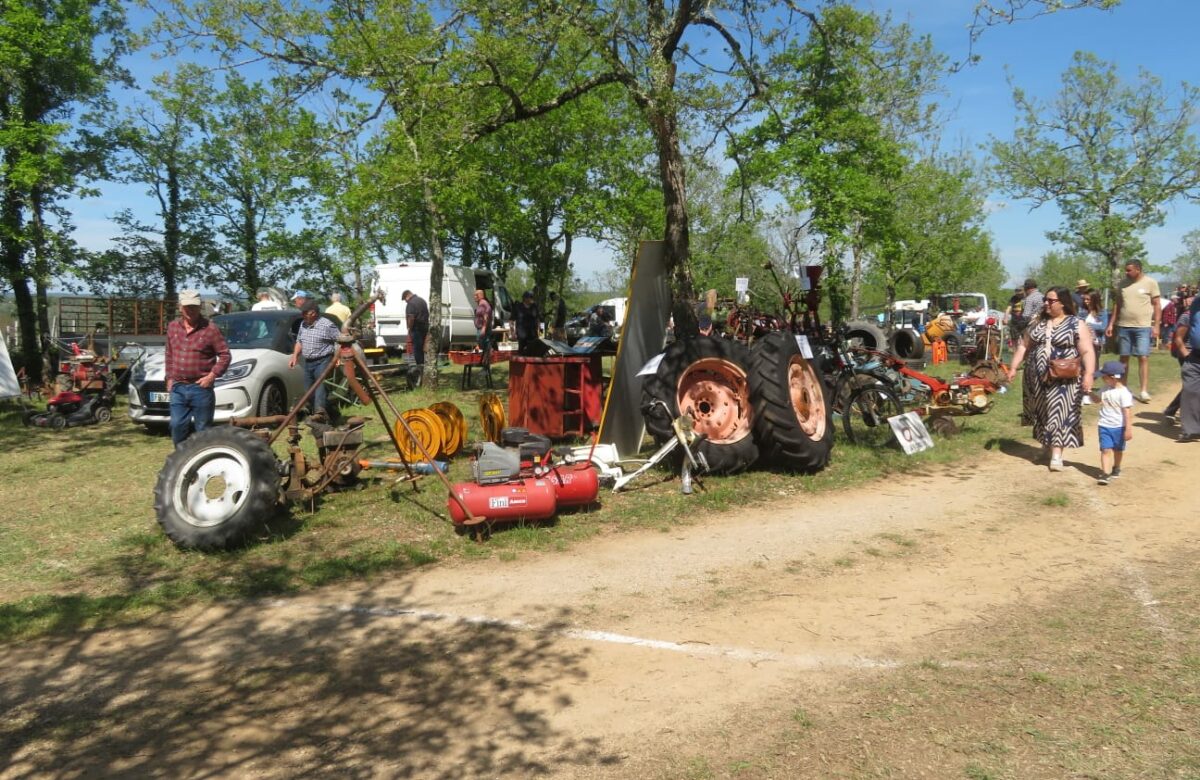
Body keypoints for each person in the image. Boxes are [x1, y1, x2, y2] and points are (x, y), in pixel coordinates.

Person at [1006, 285, 1097, 472]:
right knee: (1042, 412)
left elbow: (1087, 350)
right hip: (1037, 377)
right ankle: (1046, 446)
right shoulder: (1038, 323)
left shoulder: (1076, 323)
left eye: (1051, 300)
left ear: (1062, 303)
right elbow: (1024, 346)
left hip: (1065, 378)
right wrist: (1013, 367)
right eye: (1045, 300)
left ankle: (1057, 454)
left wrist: (1088, 374)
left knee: (1060, 412)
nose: (1046, 303)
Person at [165, 290, 231, 447]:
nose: (190, 310)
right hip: (178, 387)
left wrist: (211, 376)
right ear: (180, 307)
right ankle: (181, 463)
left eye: (194, 307)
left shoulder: (210, 329)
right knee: (177, 426)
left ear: (200, 307)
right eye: (187, 307)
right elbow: (169, 353)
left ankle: (203, 465)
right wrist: (169, 377)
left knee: (203, 431)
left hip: (200, 388)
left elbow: (225, 355)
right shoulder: (173, 327)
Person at [1105, 258, 1161, 403]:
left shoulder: (1150, 282)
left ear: (1138, 269)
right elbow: (1117, 305)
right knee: (1124, 358)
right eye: (1126, 269)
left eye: (1129, 270)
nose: (1126, 272)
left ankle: (1143, 390)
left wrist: (1157, 326)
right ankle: (1123, 387)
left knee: (1143, 357)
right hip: (1124, 326)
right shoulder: (1123, 284)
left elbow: (1157, 305)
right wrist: (1111, 324)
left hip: (1143, 326)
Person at [289, 300, 340, 419]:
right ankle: (333, 414)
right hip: (308, 363)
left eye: (304, 313)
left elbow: (340, 341)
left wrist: (337, 357)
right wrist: (294, 356)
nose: (302, 315)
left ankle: (319, 416)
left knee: (320, 388)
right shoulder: (303, 324)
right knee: (309, 392)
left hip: (323, 360)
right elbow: (299, 341)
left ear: (313, 313)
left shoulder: (327, 325)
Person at [1094, 360, 1134, 485]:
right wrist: (1089, 392)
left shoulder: (1124, 393)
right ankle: (1105, 474)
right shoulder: (1105, 389)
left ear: (1113, 378)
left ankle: (1116, 467)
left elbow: (1127, 412)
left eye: (1104, 377)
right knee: (1105, 450)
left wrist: (1128, 429)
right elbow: (1097, 400)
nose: (1102, 379)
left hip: (1119, 427)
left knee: (1118, 450)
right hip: (1104, 425)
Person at [1172, 291, 1200, 442]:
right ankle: (1191, 430)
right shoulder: (1196, 304)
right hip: (1194, 356)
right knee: (1190, 391)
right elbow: (1181, 332)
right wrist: (1184, 352)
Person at [1164, 290, 1194, 424]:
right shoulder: (1187, 316)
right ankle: (1178, 412)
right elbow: (1178, 338)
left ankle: (1172, 410)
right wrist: (1187, 354)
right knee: (1192, 385)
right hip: (1188, 353)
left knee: (1192, 385)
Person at [401, 289, 430, 376]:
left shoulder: (411, 303)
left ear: (407, 296)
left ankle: (420, 370)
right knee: (424, 349)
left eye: (405, 300)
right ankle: (425, 368)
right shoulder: (422, 301)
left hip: (416, 329)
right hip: (425, 327)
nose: (406, 302)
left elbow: (411, 317)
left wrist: (409, 328)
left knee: (417, 350)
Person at [513, 290, 541, 356]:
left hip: (533, 333)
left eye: (532, 297)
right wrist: (512, 332)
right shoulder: (518, 307)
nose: (532, 299)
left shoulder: (534, 306)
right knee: (521, 351)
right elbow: (512, 320)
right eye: (530, 297)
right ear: (525, 298)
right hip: (521, 334)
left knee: (533, 351)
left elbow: (538, 319)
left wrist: (539, 330)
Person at [473, 289, 493, 365]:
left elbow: (486, 316)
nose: (474, 297)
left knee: (486, 347)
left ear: (481, 295)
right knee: (483, 347)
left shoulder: (484, 304)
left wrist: (484, 328)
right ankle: (484, 364)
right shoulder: (481, 304)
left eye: (476, 295)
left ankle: (486, 366)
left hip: (483, 328)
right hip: (480, 328)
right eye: (474, 295)